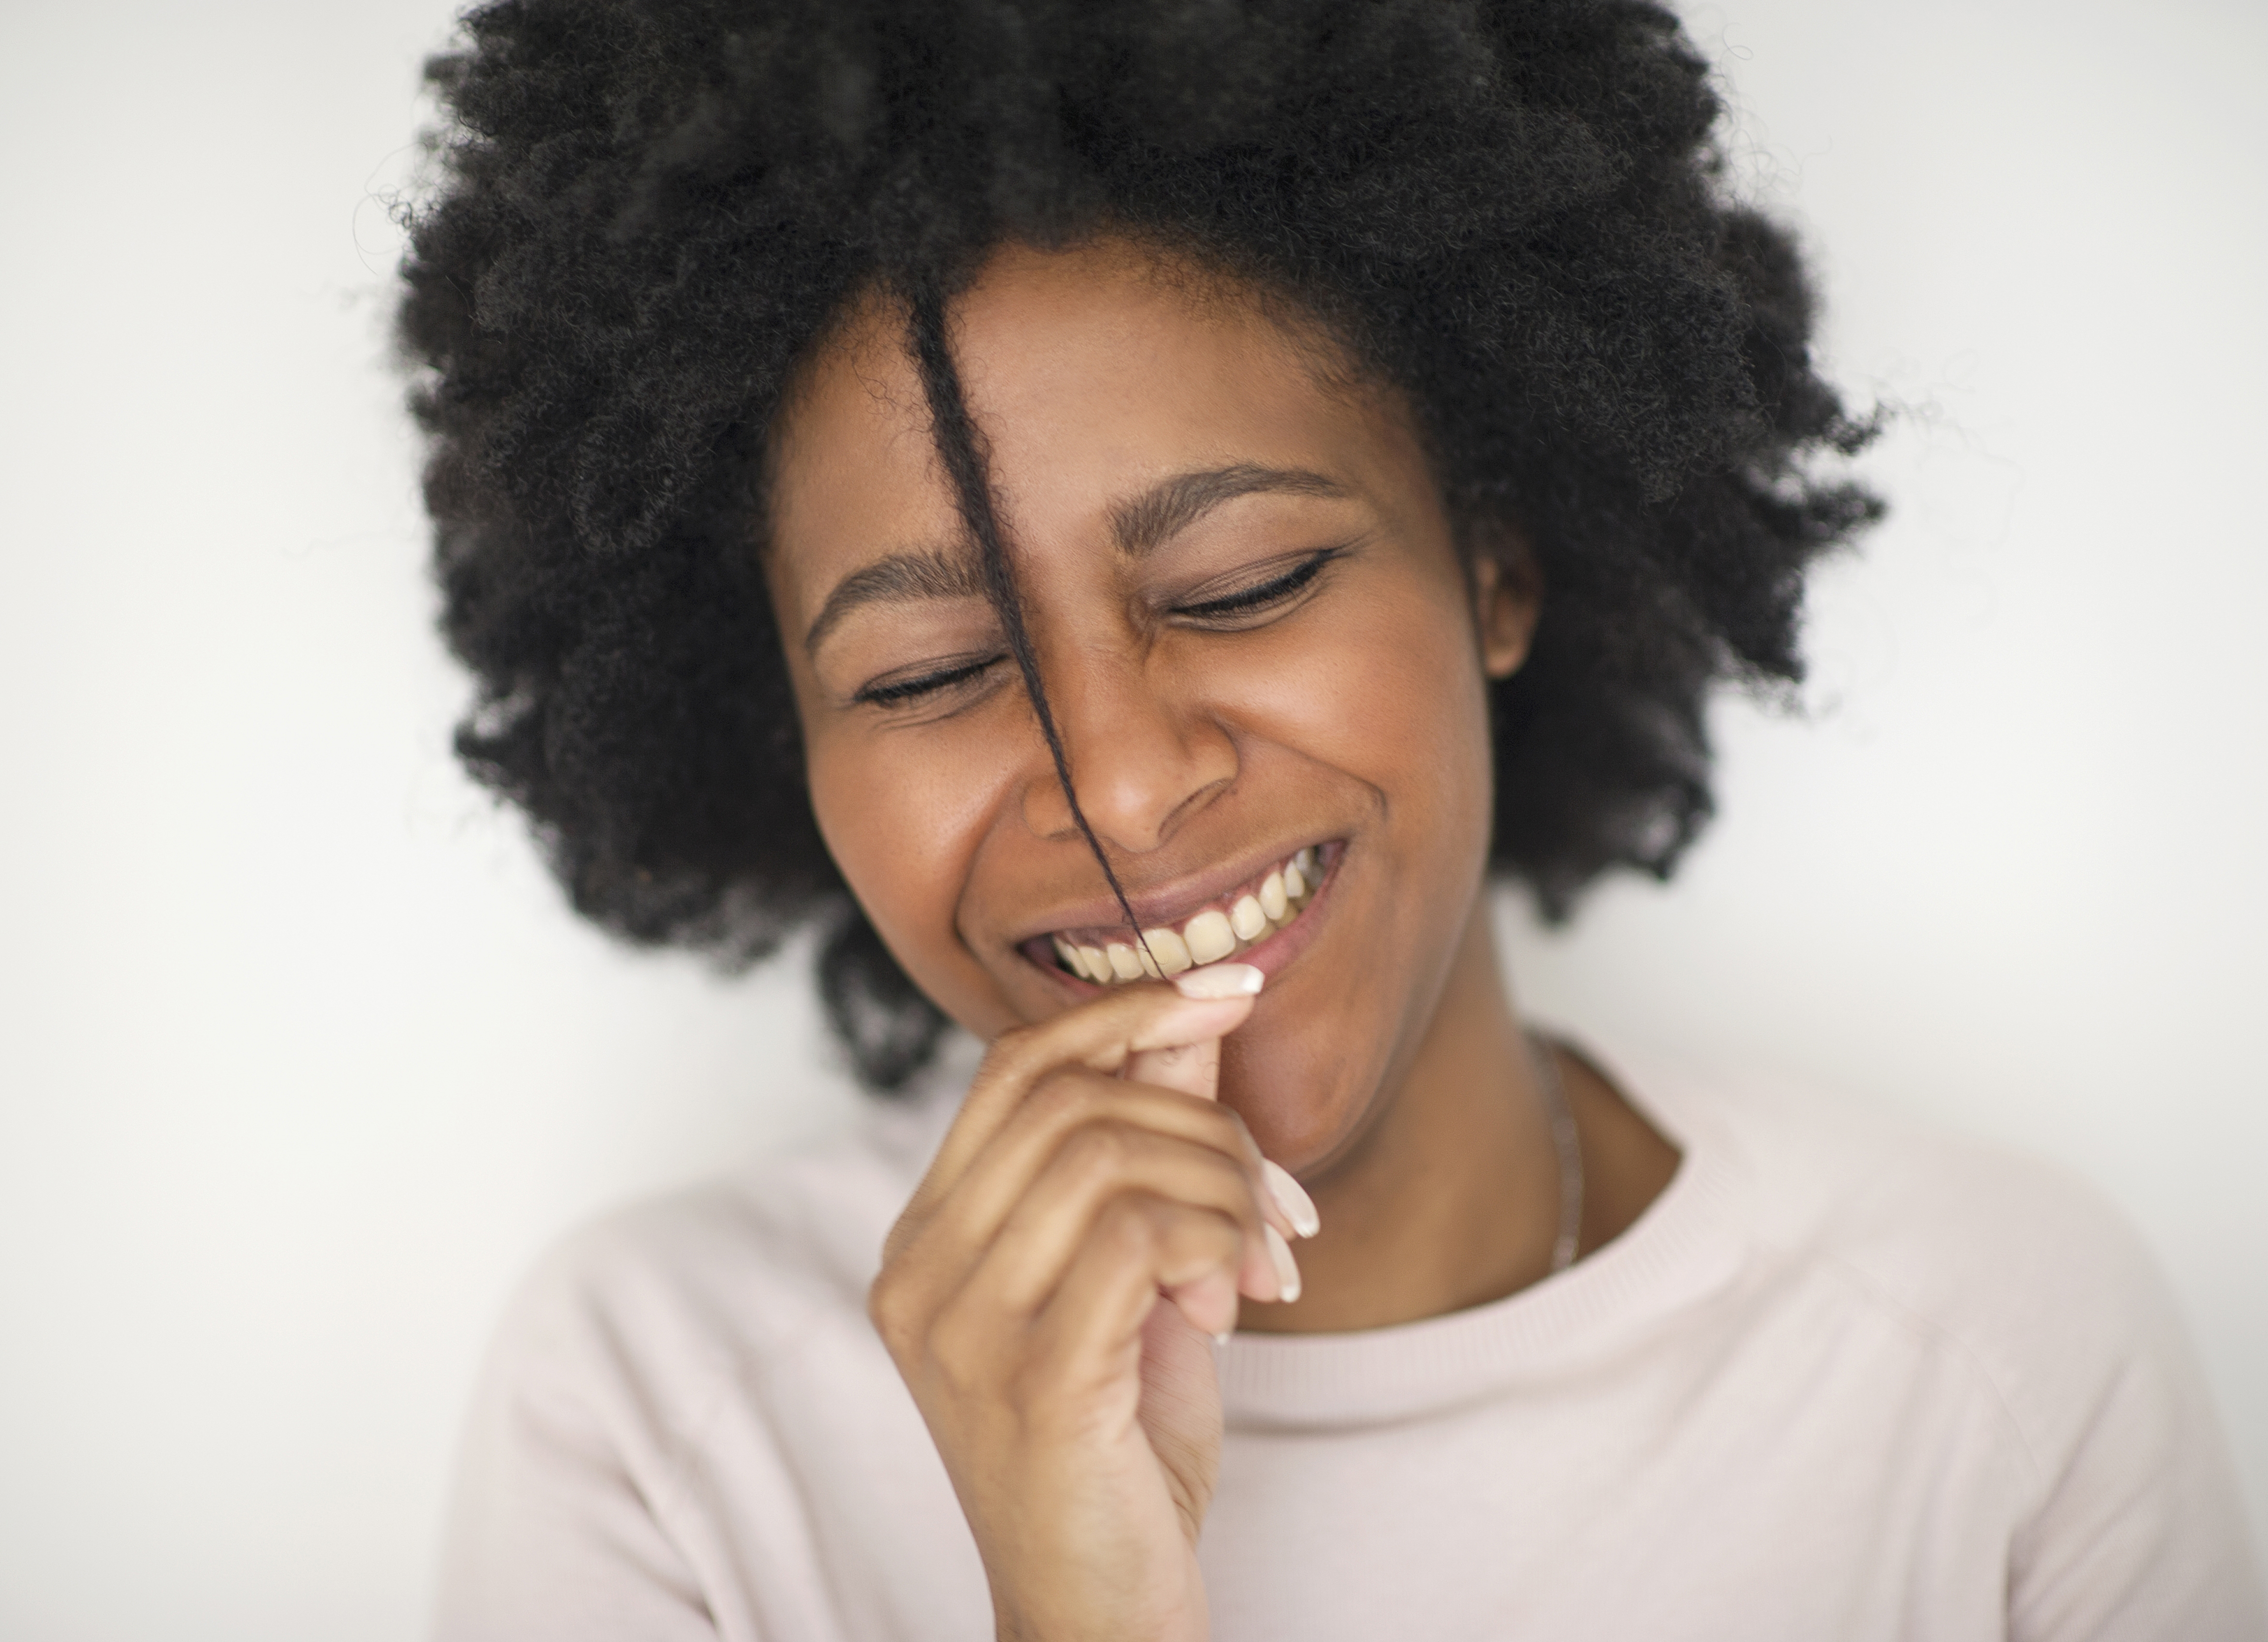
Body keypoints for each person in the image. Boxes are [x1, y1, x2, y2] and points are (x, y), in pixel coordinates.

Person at [395, 1, 2265, 1636]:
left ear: (1497, 563)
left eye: (1241, 581)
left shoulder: (1996, 1365)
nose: (1121, 783)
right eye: (924, 673)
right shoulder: (653, 1420)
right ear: (772, 734)